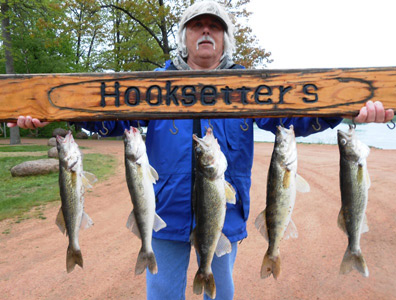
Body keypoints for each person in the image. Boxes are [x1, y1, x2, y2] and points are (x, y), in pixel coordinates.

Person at [7, 1, 394, 299]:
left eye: (214, 27)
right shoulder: (151, 86)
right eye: (197, 26)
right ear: (185, 37)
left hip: (224, 219)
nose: (206, 32)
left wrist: (344, 112)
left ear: (225, 39)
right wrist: (53, 115)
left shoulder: (250, 86)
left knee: (218, 295)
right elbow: (108, 120)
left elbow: (294, 118)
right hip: (165, 220)